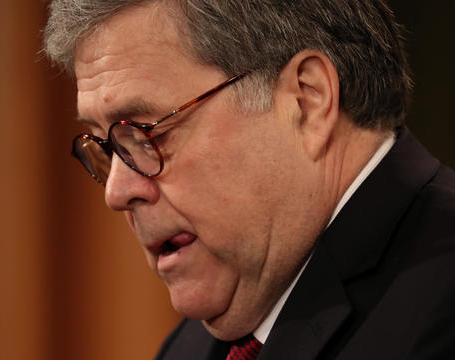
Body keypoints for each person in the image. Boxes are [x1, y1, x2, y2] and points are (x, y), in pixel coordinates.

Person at [43, 0, 455, 358]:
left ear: (306, 101)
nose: (116, 193)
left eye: (147, 133)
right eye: (109, 147)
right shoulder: (188, 349)